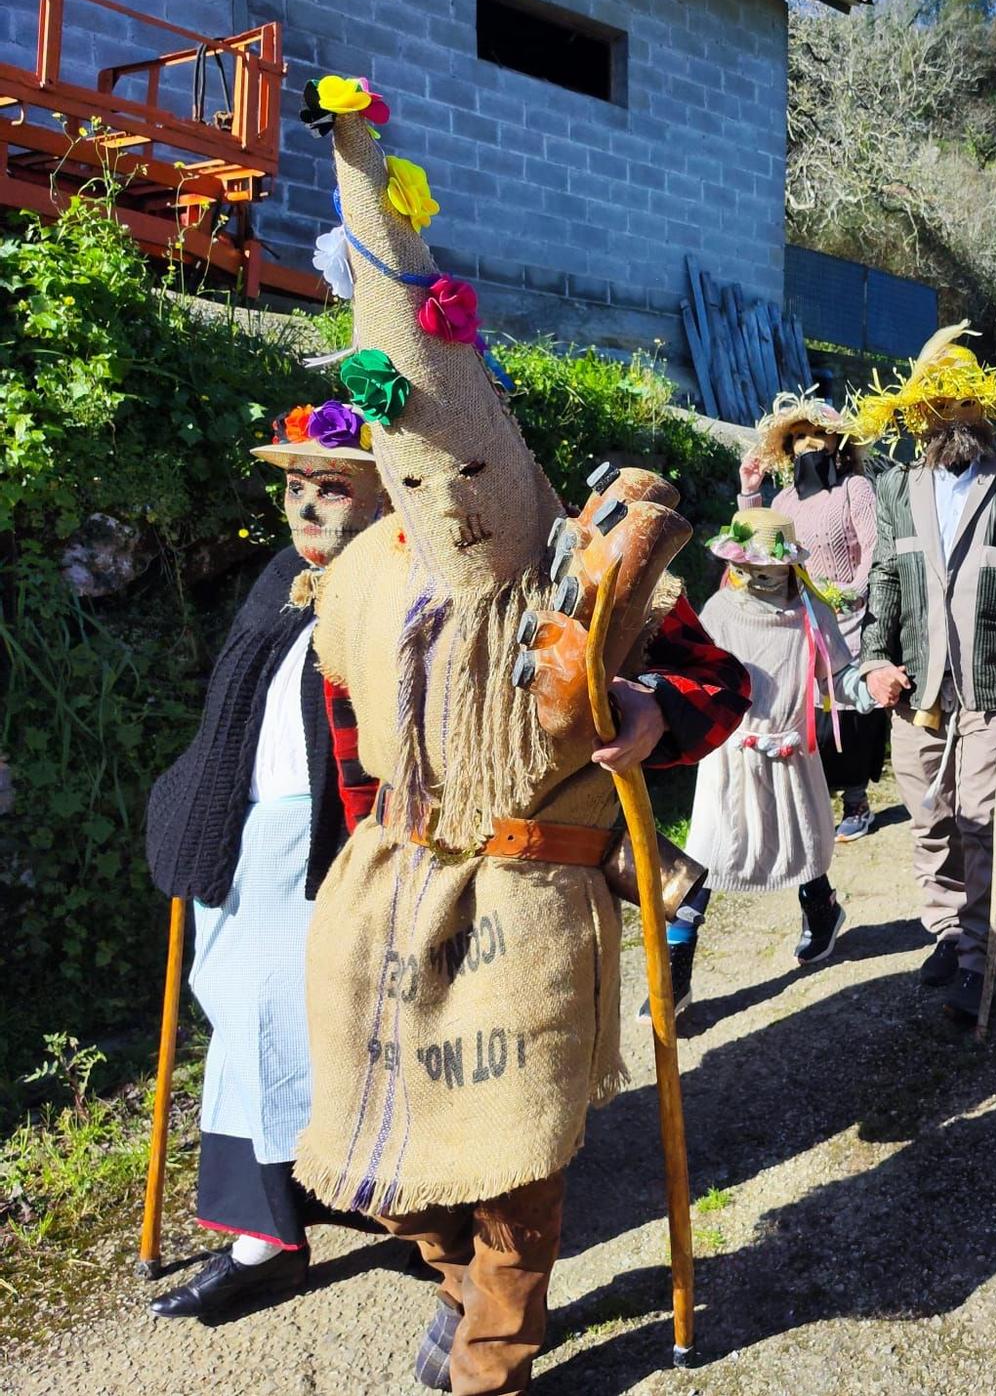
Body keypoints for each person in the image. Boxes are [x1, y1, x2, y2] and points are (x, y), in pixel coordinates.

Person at [290, 81, 746, 1396]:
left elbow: (719, 685)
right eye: (416, 479)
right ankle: (450, 1277)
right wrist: (345, 842)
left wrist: (657, 714)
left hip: (538, 891)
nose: (442, 499)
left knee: (517, 1146)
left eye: (463, 474)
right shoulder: (374, 573)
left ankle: (492, 1351)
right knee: (393, 1139)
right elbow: (344, 726)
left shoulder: (587, 566)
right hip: (393, 883)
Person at [142, 400, 386, 1319]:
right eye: (296, 487)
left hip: (324, 839)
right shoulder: (284, 575)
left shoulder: (398, 579)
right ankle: (291, 1222)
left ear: (384, 496)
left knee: (282, 1023)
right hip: (239, 830)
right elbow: (234, 713)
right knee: (250, 1021)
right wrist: (190, 797)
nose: (308, 505)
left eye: (333, 486)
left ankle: (276, 1235)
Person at [850, 325, 996, 1023]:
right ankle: (945, 929)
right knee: (930, 819)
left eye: (963, 405)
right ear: (919, 416)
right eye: (938, 407)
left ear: (984, 409)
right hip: (917, 687)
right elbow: (883, 578)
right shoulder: (894, 488)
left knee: (979, 818)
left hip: (995, 680)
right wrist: (875, 660)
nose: (952, 419)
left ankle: (981, 954)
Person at [671, 508, 878, 1011]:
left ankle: (822, 911)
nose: (756, 579)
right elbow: (697, 676)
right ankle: (672, 979)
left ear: (789, 566)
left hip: (791, 750)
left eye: (767, 568)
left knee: (800, 840)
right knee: (705, 857)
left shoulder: (811, 613)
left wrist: (870, 686)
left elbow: (841, 676)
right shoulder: (720, 611)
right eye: (747, 568)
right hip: (730, 758)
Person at [737, 393, 885, 842]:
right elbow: (757, 545)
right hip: (798, 621)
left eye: (814, 435)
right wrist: (749, 491)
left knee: (848, 710)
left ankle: (856, 800)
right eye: (797, 437)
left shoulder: (853, 489)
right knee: (805, 713)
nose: (806, 445)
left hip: (847, 618)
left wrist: (850, 595)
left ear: (835, 442)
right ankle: (810, 803)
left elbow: (874, 550)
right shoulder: (783, 499)